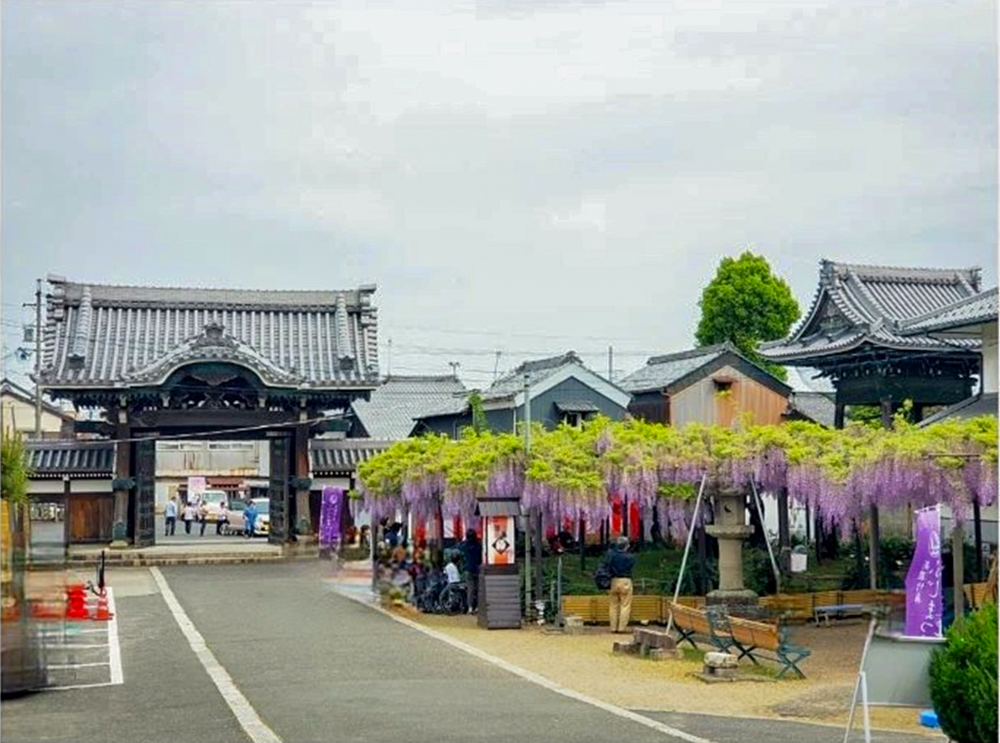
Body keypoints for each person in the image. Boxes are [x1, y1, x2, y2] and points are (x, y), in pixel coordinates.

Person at [605, 536, 636, 633]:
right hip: (626, 580)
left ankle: (613, 627)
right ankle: (622, 628)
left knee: (613, 605)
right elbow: (631, 565)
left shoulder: (612, 555)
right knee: (625, 605)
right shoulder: (630, 557)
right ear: (626, 546)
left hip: (614, 580)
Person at [458, 528, 482, 613]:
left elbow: (458, 549)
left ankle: (470, 607)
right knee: (479, 589)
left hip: (469, 569)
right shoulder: (478, 545)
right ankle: (479, 607)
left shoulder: (464, 545)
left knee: (470, 589)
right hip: (478, 569)